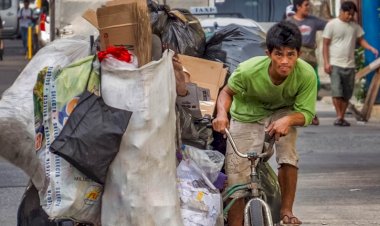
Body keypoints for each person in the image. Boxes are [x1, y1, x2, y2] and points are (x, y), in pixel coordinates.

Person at [212, 20, 317, 226]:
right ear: (268, 54)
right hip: (247, 113)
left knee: (288, 153)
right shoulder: (247, 70)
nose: (285, 61)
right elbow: (226, 92)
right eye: (279, 54)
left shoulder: (306, 75)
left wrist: (288, 119)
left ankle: (286, 211)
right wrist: (222, 114)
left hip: (282, 112)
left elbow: (306, 113)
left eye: (290, 55)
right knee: (236, 176)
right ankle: (235, 222)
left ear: (298, 54)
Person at [323, 1, 378, 126]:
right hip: (335, 63)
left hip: (350, 64)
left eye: (352, 15)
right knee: (337, 92)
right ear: (341, 11)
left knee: (347, 93)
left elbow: (361, 40)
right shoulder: (332, 25)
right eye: (348, 14)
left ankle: (341, 116)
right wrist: (326, 62)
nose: (350, 17)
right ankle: (339, 116)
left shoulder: (355, 27)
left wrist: (370, 48)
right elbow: (325, 45)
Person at [287, 0, 327, 126]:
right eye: (306, 5)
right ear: (298, 6)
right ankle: (296, 112)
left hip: (310, 58)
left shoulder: (313, 20)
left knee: (314, 84)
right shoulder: (289, 23)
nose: (308, 7)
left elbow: (330, 25)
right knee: (294, 85)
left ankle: (311, 112)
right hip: (294, 58)